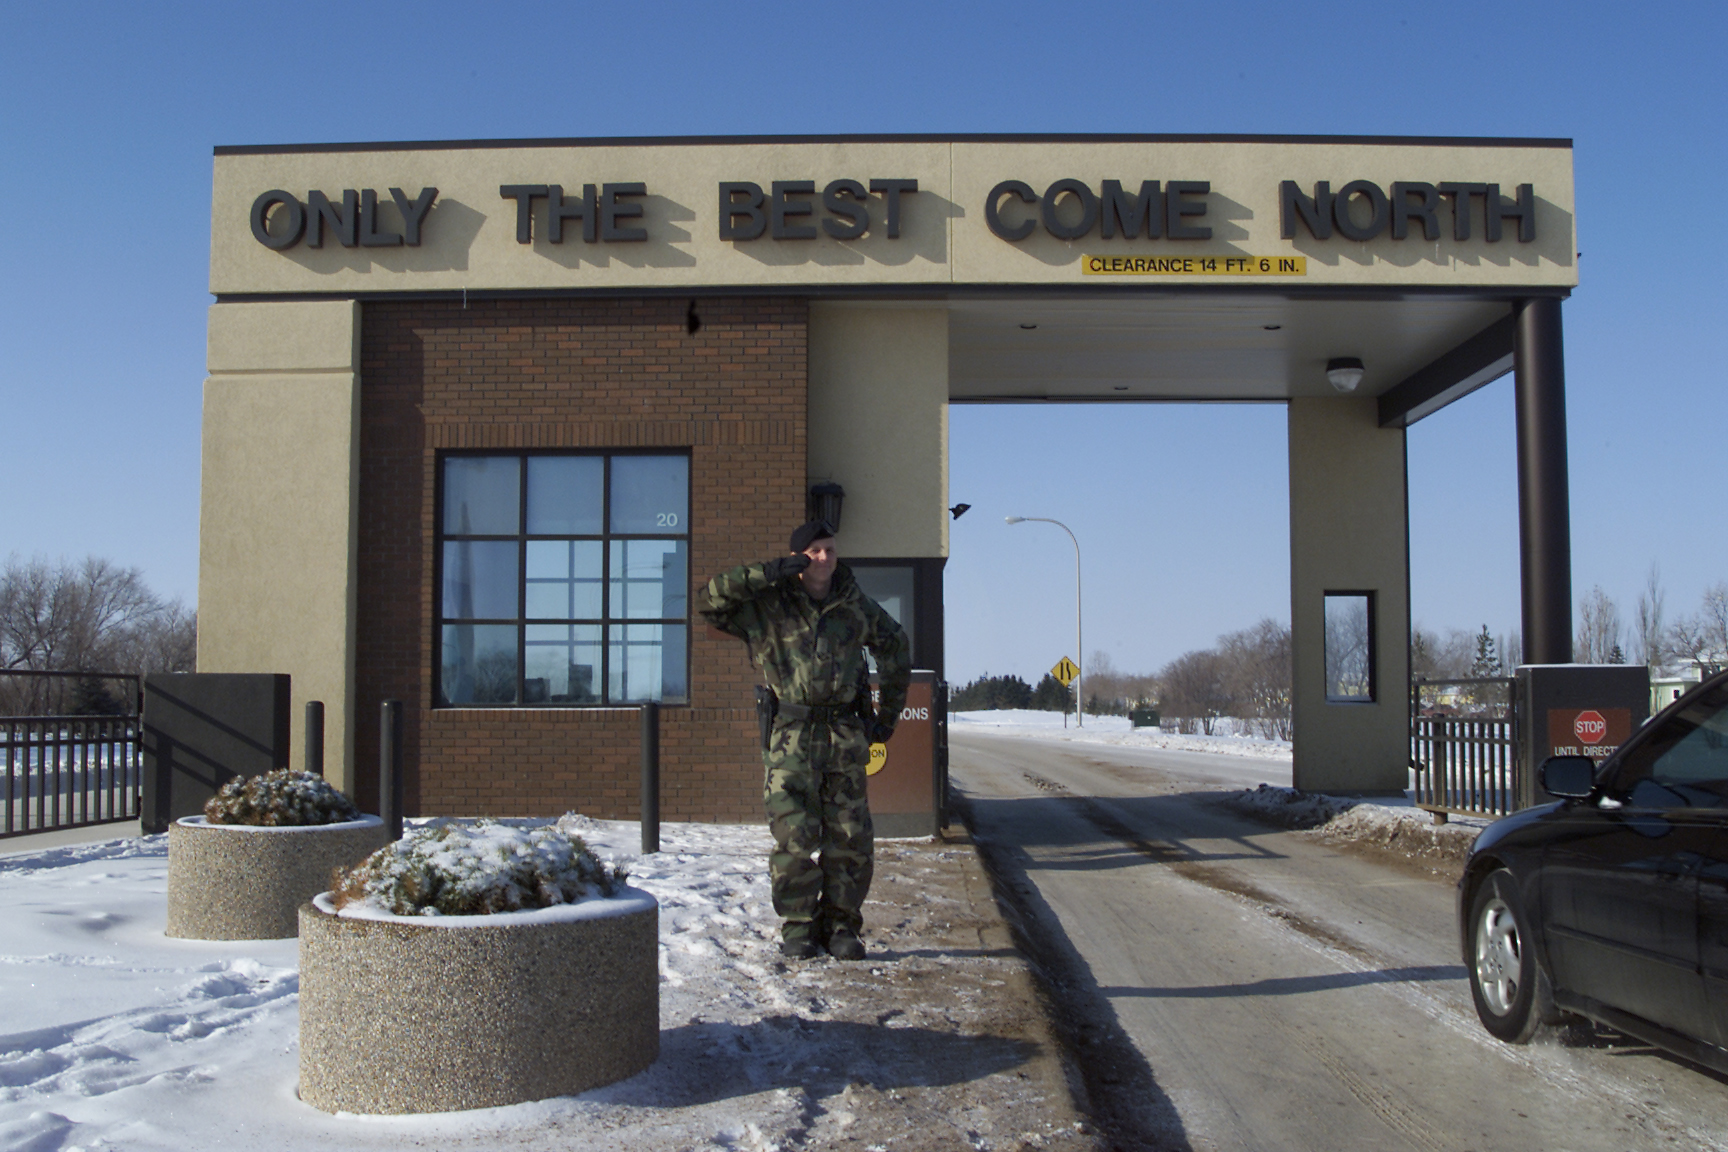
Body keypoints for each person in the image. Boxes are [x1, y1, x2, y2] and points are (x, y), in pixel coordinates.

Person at [697, 519, 911, 960]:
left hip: (843, 736)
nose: (824, 559)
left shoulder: (855, 605)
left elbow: (895, 646)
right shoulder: (770, 606)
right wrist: (768, 571)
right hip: (790, 738)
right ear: (798, 558)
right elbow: (711, 602)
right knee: (793, 838)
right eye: (813, 552)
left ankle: (841, 928)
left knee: (849, 838)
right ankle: (797, 927)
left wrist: (887, 717)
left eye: (829, 550)